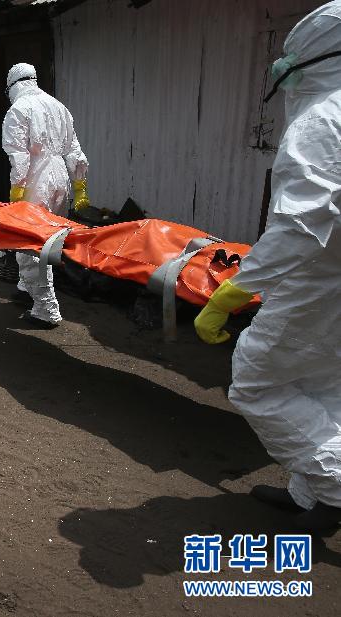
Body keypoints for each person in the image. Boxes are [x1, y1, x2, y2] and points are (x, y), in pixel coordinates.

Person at [194, 1, 341, 534]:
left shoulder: (324, 119)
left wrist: (235, 290)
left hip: (317, 280)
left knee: (257, 382)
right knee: (324, 385)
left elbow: (301, 227)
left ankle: (336, 486)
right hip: (332, 280)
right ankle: (313, 497)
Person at [2, 62, 90, 329]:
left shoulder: (18, 110)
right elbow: (75, 151)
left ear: (13, 85)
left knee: (30, 244)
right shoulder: (59, 107)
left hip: (35, 179)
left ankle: (46, 309)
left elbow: (19, 157)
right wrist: (80, 187)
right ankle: (25, 289)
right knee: (50, 239)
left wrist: (17, 191)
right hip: (60, 176)